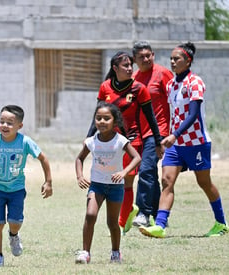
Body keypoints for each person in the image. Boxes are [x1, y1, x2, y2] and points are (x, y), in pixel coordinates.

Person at [139, 42, 228, 238]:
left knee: (204, 183)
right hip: (175, 144)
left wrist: (174, 134)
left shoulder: (195, 82)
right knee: (166, 181)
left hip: (196, 142)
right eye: (171, 59)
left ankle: (221, 223)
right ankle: (160, 226)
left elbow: (193, 114)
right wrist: (166, 137)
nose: (172, 62)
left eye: (176, 59)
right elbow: (173, 114)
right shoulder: (171, 84)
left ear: (188, 61)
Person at [87, 51, 162, 235]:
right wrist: (89, 137)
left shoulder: (139, 89)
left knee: (126, 182)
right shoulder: (105, 87)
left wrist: (158, 141)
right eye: (126, 66)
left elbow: (151, 118)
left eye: (131, 65)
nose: (130, 69)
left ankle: (120, 224)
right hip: (108, 142)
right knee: (109, 179)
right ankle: (127, 213)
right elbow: (97, 116)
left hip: (131, 140)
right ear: (115, 68)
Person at [0, 105, 53, 267]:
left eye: (10, 123)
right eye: (2, 121)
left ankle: (14, 235)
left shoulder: (24, 142)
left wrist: (48, 181)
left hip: (16, 189)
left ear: (20, 126)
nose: (5, 125)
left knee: (15, 221)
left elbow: (43, 158)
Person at [75, 102, 141, 264]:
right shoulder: (91, 141)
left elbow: (137, 157)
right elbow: (79, 158)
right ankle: (85, 253)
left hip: (115, 187)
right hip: (96, 185)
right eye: (98, 118)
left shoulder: (121, 140)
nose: (102, 122)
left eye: (106, 118)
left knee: (112, 222)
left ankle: (116, 253)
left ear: (115, 121)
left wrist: (124, 172)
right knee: (90, 215)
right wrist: (80, 176)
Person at [131, 41, 174, 227]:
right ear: (135, 60)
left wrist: (173, 132)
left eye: (149, 55)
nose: (146, 59)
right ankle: (159, 215)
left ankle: (143, 212)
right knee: (149, 173)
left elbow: (175, 101)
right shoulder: (133, 78)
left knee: (146, 169)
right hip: (140, 133)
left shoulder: (163, 73)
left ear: (153, 55)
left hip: (160, 132)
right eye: (142, 57)